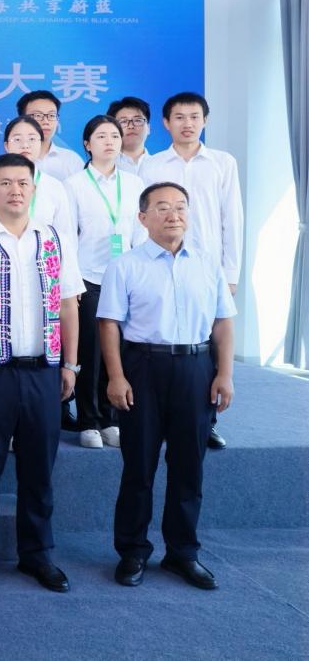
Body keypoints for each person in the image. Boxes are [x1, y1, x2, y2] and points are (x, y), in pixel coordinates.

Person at [0, 153, 84, 595]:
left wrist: (70, 364)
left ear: (34, 188)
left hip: (43, 370)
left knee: (39, 468)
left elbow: (68, 304)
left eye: (23, 183)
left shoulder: (54, 238)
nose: (15, 190)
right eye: (5, 183)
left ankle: (37, 555)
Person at [98, 181, 236, 590]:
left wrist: (225, 373)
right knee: (138, 465)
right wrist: (116, 376)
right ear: (143, 218)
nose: (173, 214)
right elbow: (109, 324)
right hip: (143, 367)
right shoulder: (125, 265)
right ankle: (133, 551)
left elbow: (223, 323)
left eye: (180, 207)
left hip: (196, 367)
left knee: (189, 466)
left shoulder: (207, 264)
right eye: (162, 207)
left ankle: (182, 553)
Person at [138, 92, 241, 450]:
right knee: (168, 338)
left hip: (206, 266)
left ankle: (206, 420)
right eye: (179, 117)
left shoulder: (222, 163)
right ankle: (160, 418)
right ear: (166, 123)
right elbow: (141, 218)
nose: (188, 123)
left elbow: (232, 219)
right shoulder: (152, 165)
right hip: (161, 262)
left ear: (205, 121)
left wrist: (231, 273)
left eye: (195, 117)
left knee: (207, 344)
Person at [65, 115, 146, 450]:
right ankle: (88, 420)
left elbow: (140, 234)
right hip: (89, 278)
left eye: (114, 135)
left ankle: (112, 418)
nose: (110, 141)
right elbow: (68, 237)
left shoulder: (134, 184)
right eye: (101, 136)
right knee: (92, 352)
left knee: (120, 352)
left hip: (126, 279)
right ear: (87, 144)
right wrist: (72, 284)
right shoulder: (74, 184)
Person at [0, 116, 77, 243]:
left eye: (32, 139)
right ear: (6, 146)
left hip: (45, 254)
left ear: (40, 144)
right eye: (17, 139)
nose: (25, 145)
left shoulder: (54, 186)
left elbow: (66, 236)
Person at [17, 90, 84, 181]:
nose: (46, 121)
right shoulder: (11, 160)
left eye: (51, 115)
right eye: (37, 115)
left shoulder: (72, 160)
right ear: (22, 120)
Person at [107, 96, 153, 174]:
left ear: (148, 128)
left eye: (137, 120)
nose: (131, 126)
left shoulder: (161, 165)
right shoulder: (103, 167)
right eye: (123, 121)